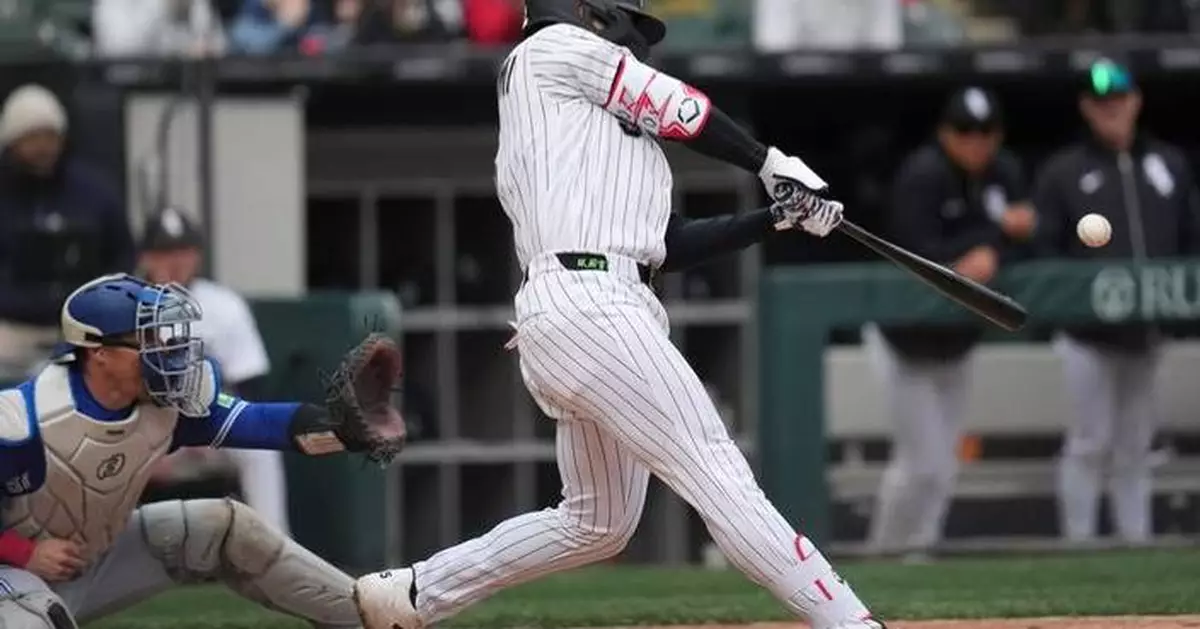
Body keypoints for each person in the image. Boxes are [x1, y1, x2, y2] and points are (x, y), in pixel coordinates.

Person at [353, 2, 882, 629]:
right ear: (587, 12)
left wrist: (776, 216)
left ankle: (412, 595)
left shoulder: (586, 129)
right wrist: (769, 163)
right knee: (717, 469)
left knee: (596, 522)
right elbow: (680, 107)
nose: (638, 43)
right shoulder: (552, 48)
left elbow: (669, 242)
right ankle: (849, 621)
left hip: (590, 305)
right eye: (628, 26)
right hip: (591, 306)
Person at [0, 272, 403, 627]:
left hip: (92, 560)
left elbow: (260, 423)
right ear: (98, 353)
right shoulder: (26, 421)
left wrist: (344, 430)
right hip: (14, 577)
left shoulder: (166, 405)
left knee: (226, 526)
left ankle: (368, 618)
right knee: (36, 619)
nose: (164, 349)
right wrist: (25, 553)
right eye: (146, 338)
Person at [1032, 58, 1200, 545]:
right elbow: (1044, 251)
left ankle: (1135, 542)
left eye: (1121, 99)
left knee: (1134, 447)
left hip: (1148, 333)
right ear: (1087, 108)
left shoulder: (1167, 164)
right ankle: (1079, 545)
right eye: (1102, 102)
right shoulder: (1065, 171)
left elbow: (1188, 238)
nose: (1113, 110)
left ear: (1136, 101)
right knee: (1090, 442)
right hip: (1087, 337)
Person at [862, 86, 1033, 559]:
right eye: (965, 131)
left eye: (985, 132)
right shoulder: (924, 174)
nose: (975, 141)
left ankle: (920, 555)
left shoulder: (1006, 173)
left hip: (957, 342)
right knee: (922, 463)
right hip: (903, 342)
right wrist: (991, 240)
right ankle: (882, 554)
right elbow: (915, 252)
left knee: (943, 467)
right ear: (945, 133)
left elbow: (1019, 242)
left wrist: (998, 243)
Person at [138, 207, 291, 536]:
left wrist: (213, 432)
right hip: (144, 436)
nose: (176, 261)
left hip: (212, 433)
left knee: (261, 449)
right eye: (165, 252)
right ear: (146, 258)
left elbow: (250, 386)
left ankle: (277, 544)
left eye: (184, 251)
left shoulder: (224, 305)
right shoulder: (126, 306)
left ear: (197, 255)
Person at [0, 84, 135, 386]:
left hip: (86, 325)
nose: (42, 147)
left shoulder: (95, 192)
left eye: (49, 136)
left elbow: (123, 254)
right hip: (13, 326)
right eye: (31, 138)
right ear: (12, 142)